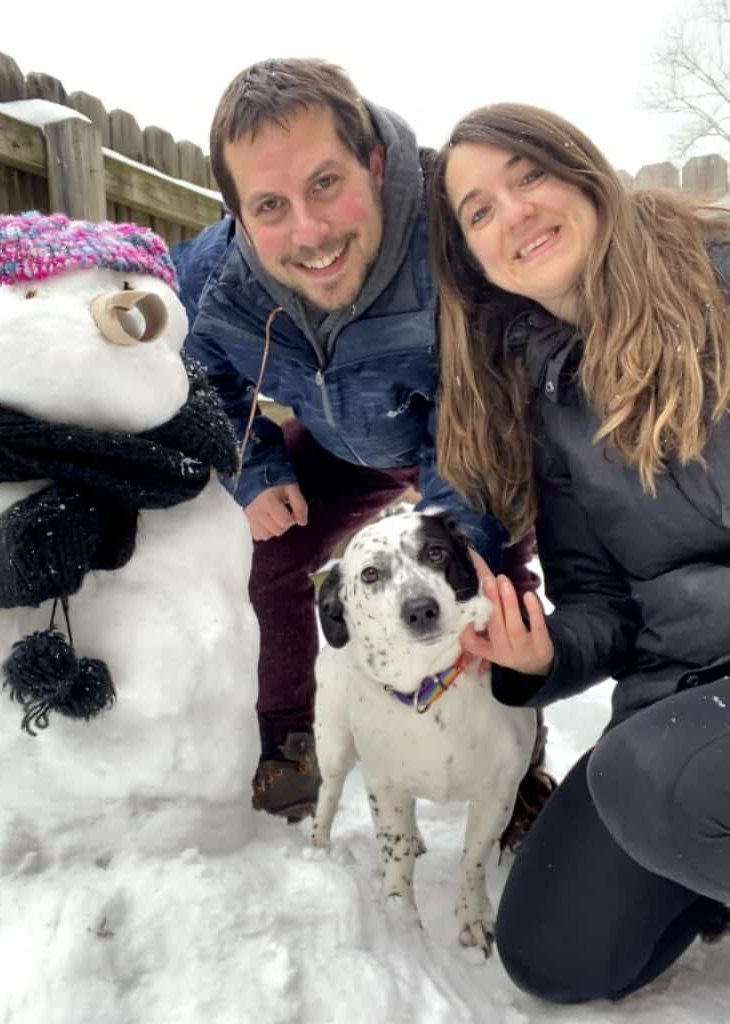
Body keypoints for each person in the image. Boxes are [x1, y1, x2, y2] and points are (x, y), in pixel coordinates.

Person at [172, 60, 542, 822]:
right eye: (269, 204)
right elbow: (198, 370)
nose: (308, 233)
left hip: (465, 434)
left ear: (374, 163)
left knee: (489, 565)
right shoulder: (215, 278)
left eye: (325, 183)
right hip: (343, 441)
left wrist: (461, 542)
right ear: (237, 214)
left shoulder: (449, 254)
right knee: (271, 551)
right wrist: (255, 466)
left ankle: (522, 764)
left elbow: (467, 421)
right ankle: (289, 740)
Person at [428, 101, 730, 1004]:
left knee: (651, 782)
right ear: (471, 256)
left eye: (530, 176)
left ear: (585, 172)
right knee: (555, 951)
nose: (513, 213)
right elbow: (605, 602)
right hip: (689, 692)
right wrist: (542, 657)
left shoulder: (719, 287)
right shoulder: (552, 398)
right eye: (479, 210)